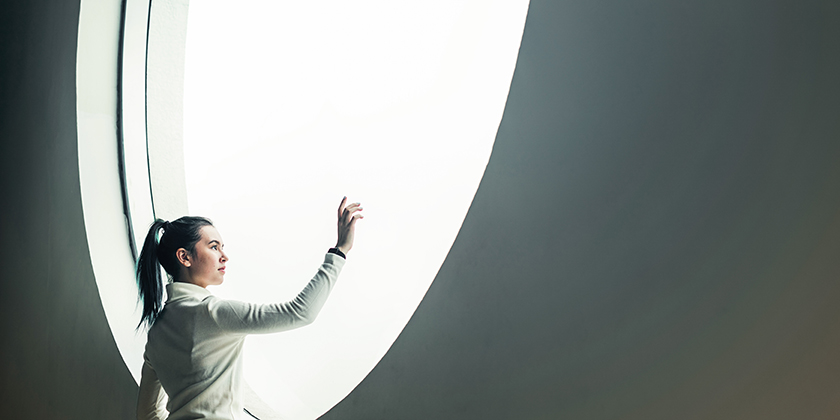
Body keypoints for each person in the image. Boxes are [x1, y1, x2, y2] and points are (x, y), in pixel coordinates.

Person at [135, 197, 363, 420]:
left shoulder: (156, 333)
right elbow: (300, 312)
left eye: (222, 247)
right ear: (184, 257)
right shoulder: (212, 313)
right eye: (214, 247)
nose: (224, 256)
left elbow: (147, 414)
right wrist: (340, 251)